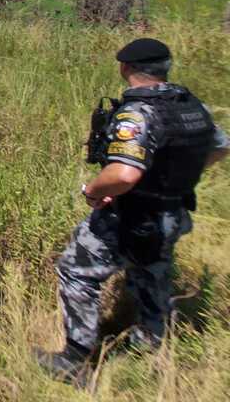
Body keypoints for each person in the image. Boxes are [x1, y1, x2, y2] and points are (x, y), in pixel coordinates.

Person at [34, 38, 227, 386]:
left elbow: (124, 173)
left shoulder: (139, 112)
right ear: (165, 67)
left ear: (125, 68)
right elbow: (219, 147)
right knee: (151, 272)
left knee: (76, 269)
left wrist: (93, 191)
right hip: (173, 213)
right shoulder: (191, 105)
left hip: (134, 213)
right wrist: (175, 179)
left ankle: (75, 359)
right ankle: (152, 348)